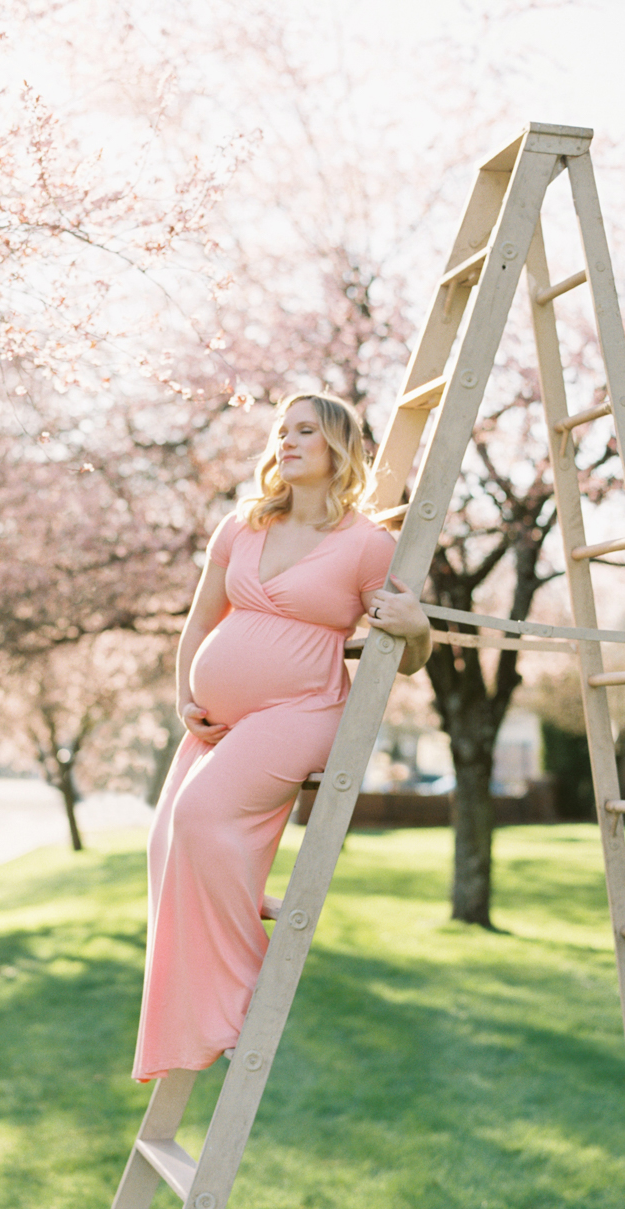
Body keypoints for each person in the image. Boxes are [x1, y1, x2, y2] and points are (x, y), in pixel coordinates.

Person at [131, 392, 432, 1083]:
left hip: (304, 709)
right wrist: (186, 696)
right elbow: (200, 621)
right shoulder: (242, 524)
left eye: (306, 431)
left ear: (337, 448)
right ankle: (228, 944)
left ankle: (245, 1004)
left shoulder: (365, 544)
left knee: (200, 815)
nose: (288, 440)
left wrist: (417, 628)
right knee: (165, 844)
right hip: (222, 722)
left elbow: (407, 654)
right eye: (283, 429)